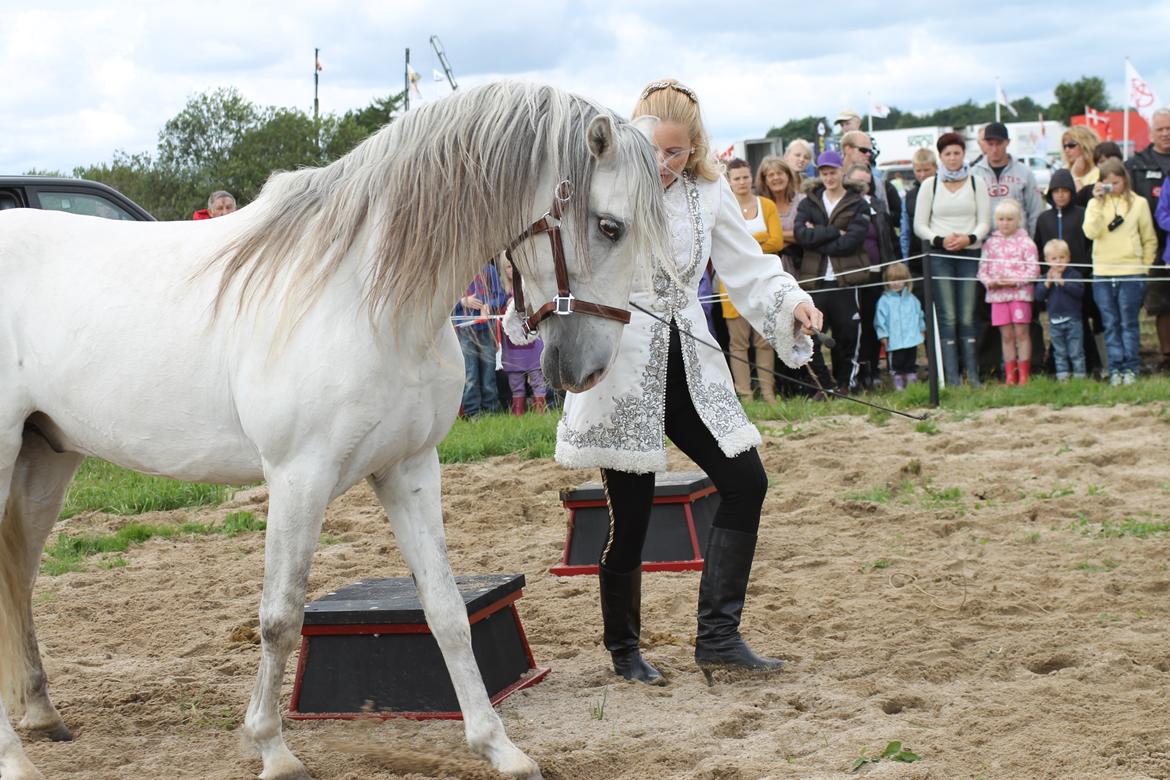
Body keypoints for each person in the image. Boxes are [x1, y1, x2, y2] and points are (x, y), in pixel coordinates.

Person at [556, 79, 823, 686]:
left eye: (676, 152)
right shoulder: (603, 184)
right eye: (654, 149)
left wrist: (793, 302)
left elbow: (748, 266)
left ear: (695, 146)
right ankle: (624, 649)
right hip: (623, 365)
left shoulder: (709, 191)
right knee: (633, 514)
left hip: (691, 358)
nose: (663, 163)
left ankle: (719, 637)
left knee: (745, 480)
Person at [913, 131, 992, 386]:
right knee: (947, 315)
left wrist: (970, 238)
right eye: (947, 153)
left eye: (957, 152)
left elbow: (984, 221)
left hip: (969, 254)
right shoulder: (930, 185)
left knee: (968, 314)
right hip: (940, 256)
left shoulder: (976, 182)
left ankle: (974, 375)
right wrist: (940, 239)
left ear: (963, 154)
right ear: (941, 157)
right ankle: (952, 378)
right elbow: (919, 225)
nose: (953, 157)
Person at [794, 150, 871, 393]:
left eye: (833, 172)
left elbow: (854, 240)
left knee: (847, 335)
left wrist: (817, 232)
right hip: (815, 280)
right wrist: (835, 231)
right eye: (824, 173)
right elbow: (801, 236)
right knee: (812, 334)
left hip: (846, 279)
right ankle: (824, 385)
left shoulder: (857, 202)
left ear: (842, 172)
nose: (829, 177)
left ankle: (845, 384)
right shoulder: (809, 202)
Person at [1085, 159, 1158, 385]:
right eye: (1107, 183)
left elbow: (1149, 238)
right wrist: (1097, 202)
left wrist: (1143, 268)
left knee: (1129, 323)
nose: (1112, 187)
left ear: (1125, 179)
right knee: (1110, 323)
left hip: (1131, 271)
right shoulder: (1094, 204)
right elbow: (1090, 232)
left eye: (1116, 182)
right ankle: (1115, 368)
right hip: (1103, 271)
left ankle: (1131, 368)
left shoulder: (1139, 203)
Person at [721, 158, 784, 402]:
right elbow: (725, 244)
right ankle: (745, 395)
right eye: (736, 178)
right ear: (729, 181)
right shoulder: (725, 206)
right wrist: (760, 239)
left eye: (746, 177)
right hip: (731, 283)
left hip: (763, 282)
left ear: (752, 178)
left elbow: (777, 242)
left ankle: (768, 393)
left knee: (765, 340)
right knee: (738, 343)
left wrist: (746, 242)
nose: (742, 182)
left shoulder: (766, 205)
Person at [1033, 168, 1101, 376]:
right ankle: (1057, 366)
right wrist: (1046, 274)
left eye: (1065, 190)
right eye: (1056, 191)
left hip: (1079, 277)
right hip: (1053, 281)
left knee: (1081, 322)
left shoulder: (1081, 214)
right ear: (1050, 194)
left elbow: (1090, 243)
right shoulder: (1044, 219)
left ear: (1071, 191)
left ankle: (1089, 364)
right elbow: (1039, 244)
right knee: (1057, 323)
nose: (1060, 195)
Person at [845, 164, 898, 389]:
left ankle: (873, 370)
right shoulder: (845, 206)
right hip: (853, 274)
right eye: (857, 182)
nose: (862, 187)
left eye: (866, 183)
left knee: (874, 325)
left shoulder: (877, 205)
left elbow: (887, 240)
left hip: (877, 272)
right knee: (854, 328)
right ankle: (856, 372)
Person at [1125, 108, 1170, 371]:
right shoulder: (1137, 164)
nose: (1166, 134)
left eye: (1169, 129)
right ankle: (1165, 357)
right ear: (1151, 132)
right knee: (1161, 304)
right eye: (1161, 129)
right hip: (1153, 245)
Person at [978, 199, 1040, 385]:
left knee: (1022, 333)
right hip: (998, 296)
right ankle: (1010, 375)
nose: (1005, 223)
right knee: (1006, 336)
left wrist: (1014, 281)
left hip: (1020, 294)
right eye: (1002, 219)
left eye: (1010, 219)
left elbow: (1034, 270)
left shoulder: (1026, 242)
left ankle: (1024, 375)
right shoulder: (990, 243)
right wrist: (992, 282)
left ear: (1018, 220)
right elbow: (982, 270)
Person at [972, 122, 1045, 235]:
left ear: (1007, 142)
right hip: (986, 243)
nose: (994, 149)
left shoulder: (1024, 172)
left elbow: (1035, 210)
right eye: (990, 144)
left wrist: (1032, 240)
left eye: (999, 144)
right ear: (984, 144)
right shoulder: (974, 173)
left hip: (1019, 243)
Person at [453, 263, 507, 416]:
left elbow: (501, 296)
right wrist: (463, 302)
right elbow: (444, 299)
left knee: (488, 371)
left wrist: (490, 305)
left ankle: (490, 410)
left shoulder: (489, 270)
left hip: (486, 328)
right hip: (464, 329)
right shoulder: (456, 269)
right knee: (470, 373)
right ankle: (472, 412)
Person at [499, 257, 548, 415]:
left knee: (537, 378)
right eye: (508, 267)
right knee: (515, 381)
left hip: (533, 342)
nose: (512, 270)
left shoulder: (532, 289)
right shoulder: (501, 292)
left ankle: (540, 412)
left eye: (515, 266)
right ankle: (518, 413)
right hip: (512, 346)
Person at [1034, 239, 1086, 381]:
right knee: (1059, 352)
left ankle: (1080, 376)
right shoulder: (1046, 278)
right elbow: (1038, 296)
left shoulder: (1074, 275)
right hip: (1055, 322)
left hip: (1073, 320)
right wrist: (1048, 283)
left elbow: (1079, 292)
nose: (1058, 262)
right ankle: (1063, 377)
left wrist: (1063, 283)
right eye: (1054, 258)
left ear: (1068, 257)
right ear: (1047, 260)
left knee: (1076, 351)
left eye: (1062, 257)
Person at [874, 262, 925, 390]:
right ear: (887, 281)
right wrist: (883, 335)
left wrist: (922, 329)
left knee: (911, 362)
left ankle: (912, 384)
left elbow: (919, 315)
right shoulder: (884, 301)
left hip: (911, 338)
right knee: (897, 364)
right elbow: (879, 320)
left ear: (906, 280)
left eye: (900, 280)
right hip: (894, 340)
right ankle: (898, 385)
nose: (896, 283)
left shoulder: (912, 299)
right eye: (892, 280)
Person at [900, 148, 938, 262]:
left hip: (942, 254)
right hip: (917, 257)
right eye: (918, 170)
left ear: (936, 167)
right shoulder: (908, 197)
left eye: (926, 170)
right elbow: (905, 233)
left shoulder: (946, 190)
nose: (922, 175)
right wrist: (906, 261)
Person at [1062, 126, 1101, 193]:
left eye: (1071, 145)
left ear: (1086, 146)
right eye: (1064, 146)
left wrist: (1075, 177)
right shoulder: (1063, 171)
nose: (1067, 150)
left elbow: (1085, 200)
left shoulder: (1099, 172)